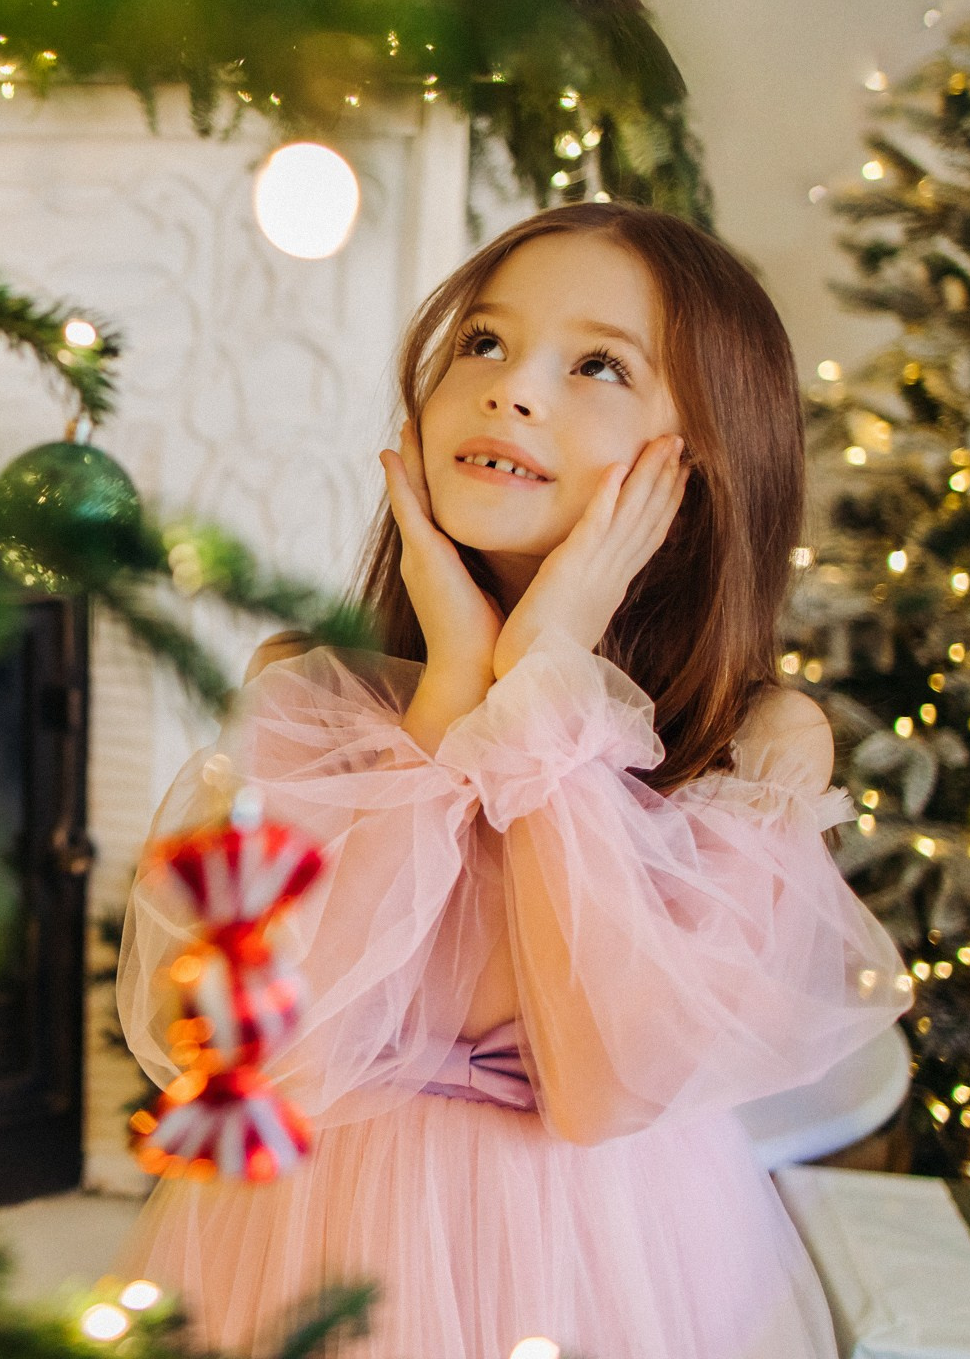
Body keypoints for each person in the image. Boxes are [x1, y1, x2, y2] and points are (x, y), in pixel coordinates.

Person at [113, 202, 914, 1359]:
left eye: (598, 364)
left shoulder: (756, 742)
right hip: (308, 1240)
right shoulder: (311, 693)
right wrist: (447, 696)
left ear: (703, 455)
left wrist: (547, 683)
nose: (510, 388)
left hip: (600, 1252)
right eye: (483, 342)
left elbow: (600, 1089)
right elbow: (269, 1048)